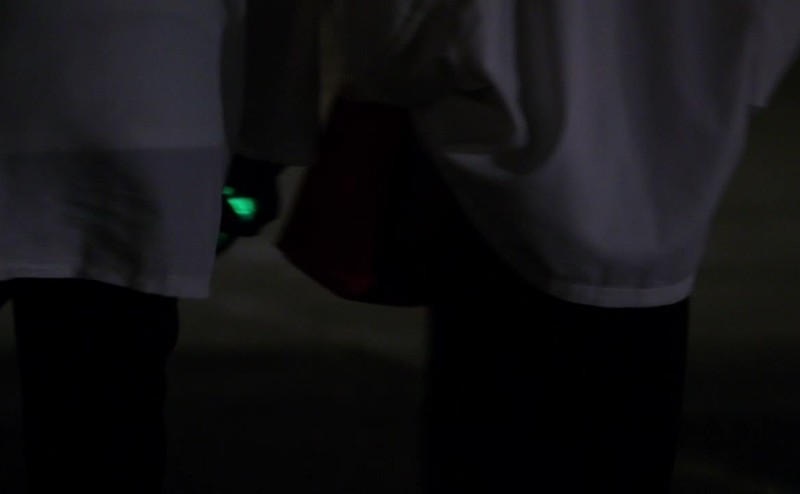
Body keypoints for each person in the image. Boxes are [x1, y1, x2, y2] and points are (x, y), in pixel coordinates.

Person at [264, 1, 800, 492]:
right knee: (626, 442)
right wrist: (727, 86)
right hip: (671, 177)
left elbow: (389, 39)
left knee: (499, 446)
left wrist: (395, 70)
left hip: (499, 177)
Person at [0, 1, 311, 491]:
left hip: (117, 113)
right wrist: (266, 148)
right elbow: (280, 19)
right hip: (148, 114)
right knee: (99, 422)